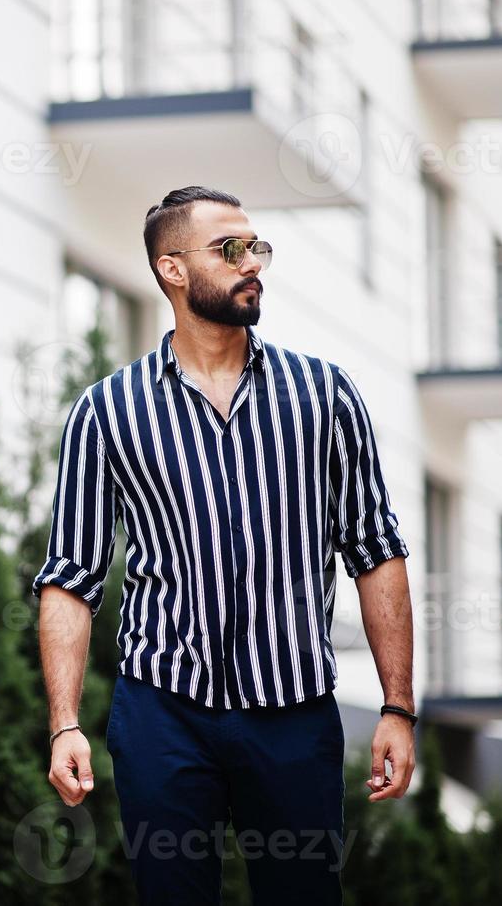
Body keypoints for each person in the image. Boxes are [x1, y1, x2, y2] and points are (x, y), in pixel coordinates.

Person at [33, 186, 415, 905]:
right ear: (171, 269)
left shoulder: (324, 395)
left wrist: (397, 707)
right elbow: (70, 578)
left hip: (294, 713)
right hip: (161, 714)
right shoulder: (105, 411)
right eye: (228, 250)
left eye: (256, 248)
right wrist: (63, 725)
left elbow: (374, 550)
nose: (252, 265)